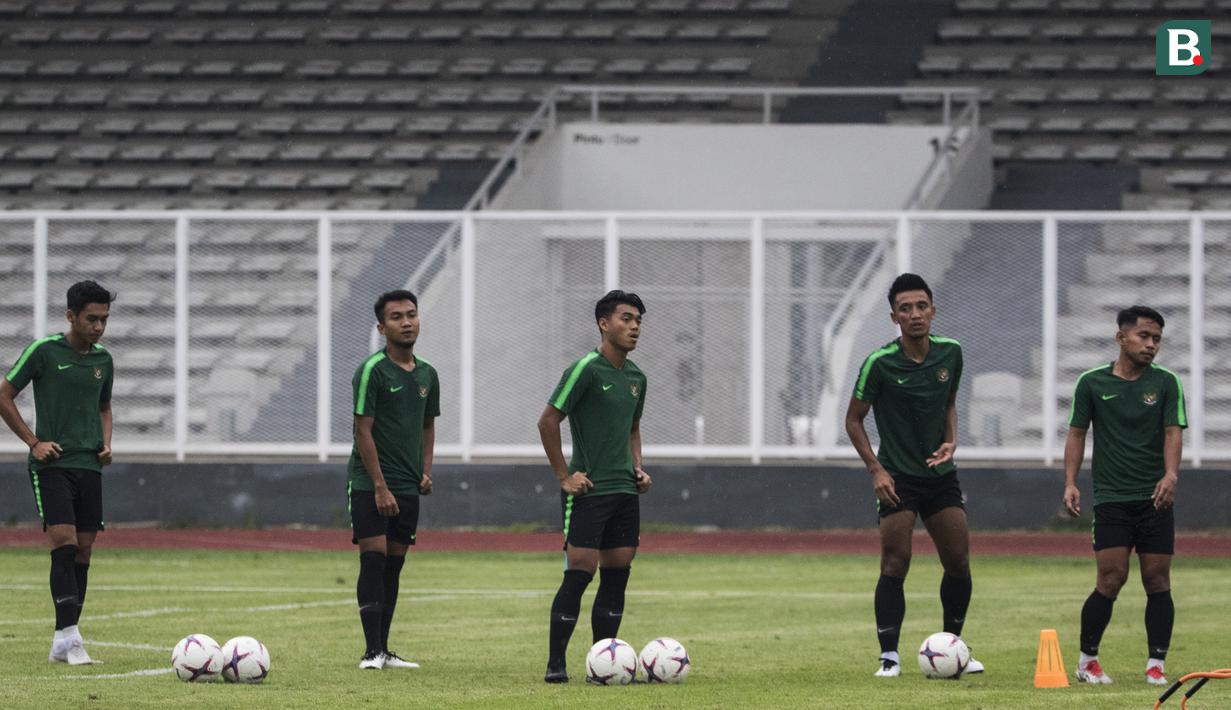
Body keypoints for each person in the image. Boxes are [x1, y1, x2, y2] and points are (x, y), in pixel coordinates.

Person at [844, 273, 983, 678]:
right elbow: (854, 420)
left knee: (958, 561)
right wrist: (876, 469)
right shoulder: (879, 362)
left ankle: (953, 648)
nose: (915, 314)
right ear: (894, 317)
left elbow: (950, 403)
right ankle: (889, 656)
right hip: (898, 476)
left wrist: (951, 441)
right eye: (905, 308)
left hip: (941, 475)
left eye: (921, 306)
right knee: (895, 562)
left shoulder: (951, 353)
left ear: (933, 310)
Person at [1063, 305, 1186, 687]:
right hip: (1112, 497)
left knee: (1157, 580)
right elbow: (1077, 433)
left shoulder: (1166, 383)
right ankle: (1088, 661)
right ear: (1121, 338)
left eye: (1157, 340)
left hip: (1155, 499)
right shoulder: (1091, 383)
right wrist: (1070, 482)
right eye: (1144, 336)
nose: (1151, 345)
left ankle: (1156, 666)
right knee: (1111, 579)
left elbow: (1172, 431)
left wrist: (1170, 474)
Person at [0, 280, 115, 666]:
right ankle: (73, 639)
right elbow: (3, 394)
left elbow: (104, 407)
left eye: (103, 320)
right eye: (91, 319)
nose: (98, 327)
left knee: (83, 552)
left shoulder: (103, 361)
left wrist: (107, 442)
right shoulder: (44, 351)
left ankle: (60, 641)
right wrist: (34, 442)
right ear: (71, 316)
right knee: (63, 545)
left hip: (89, 466)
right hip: (52, 466)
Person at [538, 290, 651, 683]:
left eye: (638, 319)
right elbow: (548, 421)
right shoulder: (585, 368)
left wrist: (638, 466)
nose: (634, 325)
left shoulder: (637, 377)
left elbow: (632, 428)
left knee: (617, 575)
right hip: (588, 492)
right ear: (604, 323)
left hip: (624, 492)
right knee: (580, 573)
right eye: (626, 318)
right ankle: (555, 664)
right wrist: (564, 476)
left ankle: (604, 665)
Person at [347, 290, 439, 670]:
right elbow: (361, 430)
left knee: (394, 566)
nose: (406, 322)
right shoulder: (372, 371)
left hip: (407, 485)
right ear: (382, 327)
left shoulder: (428, 374)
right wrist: (380, 486)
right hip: (371, 485)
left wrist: (426, 470)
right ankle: (371, 652)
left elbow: (427, 425)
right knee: (373, 560)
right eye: (397, 316)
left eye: (411, 315)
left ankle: (385, 649)